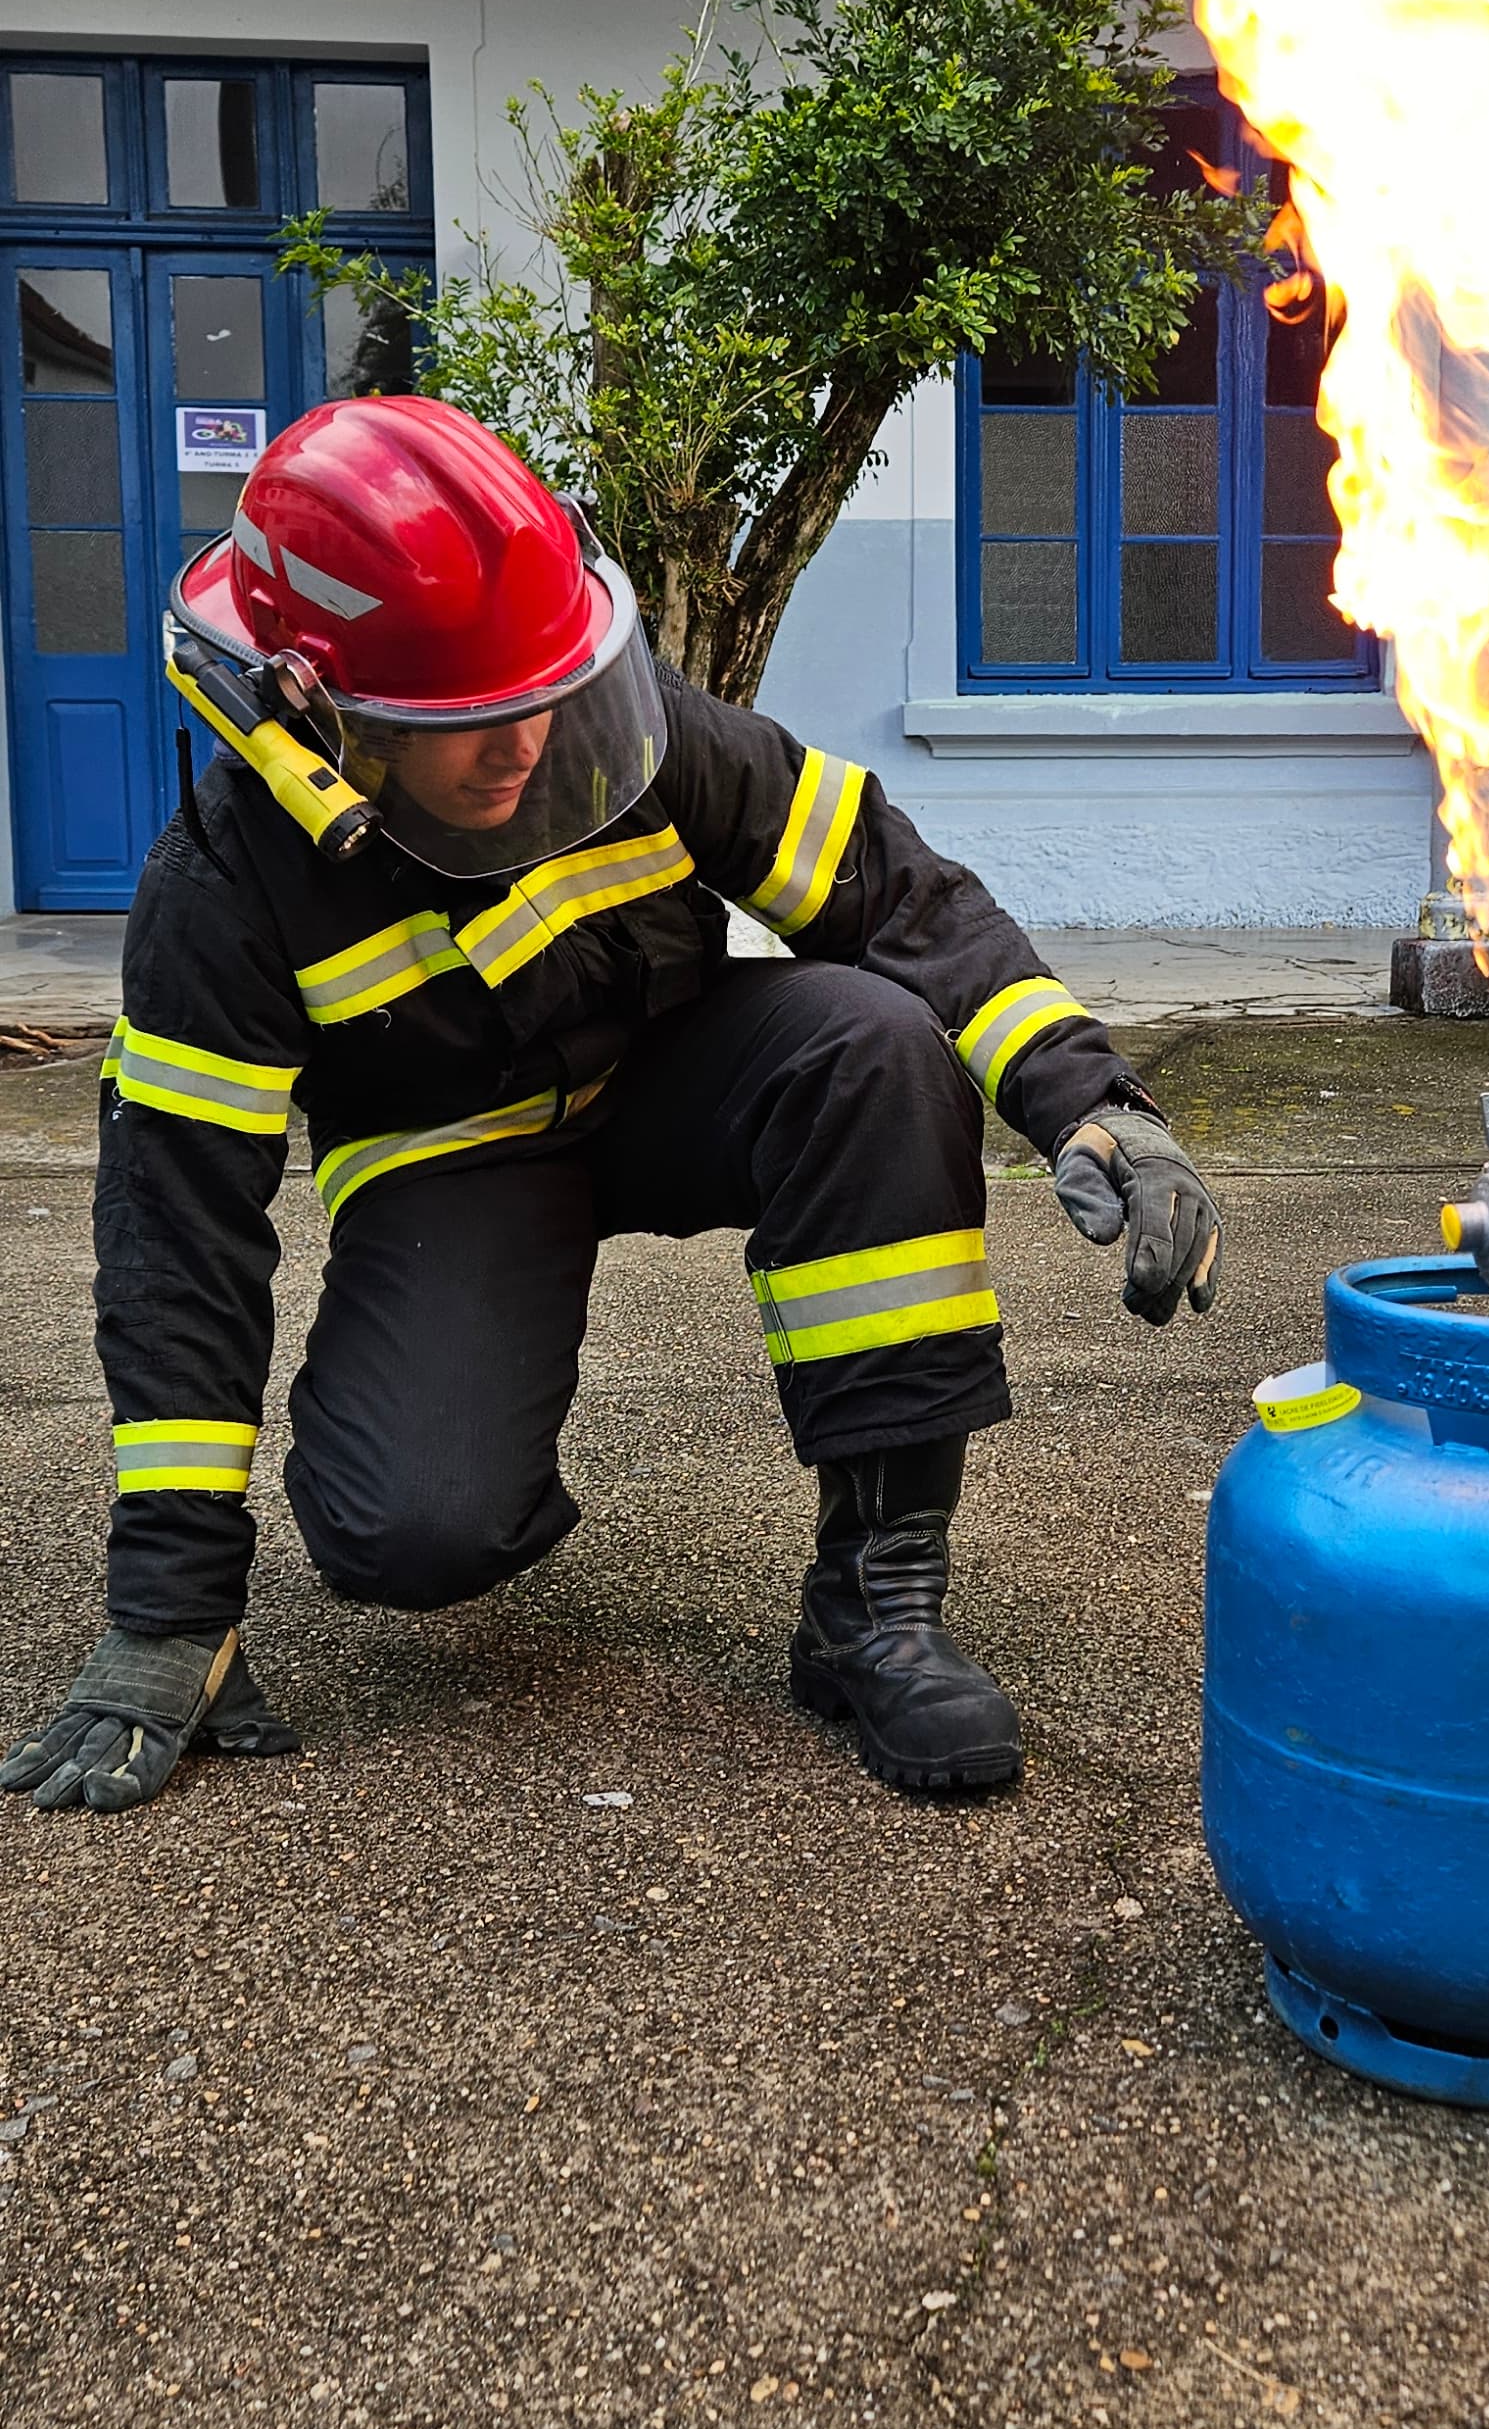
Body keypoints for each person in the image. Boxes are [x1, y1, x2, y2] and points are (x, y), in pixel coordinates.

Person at [1, 397, 1219, 1821]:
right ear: (313, 709)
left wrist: (1090, 1099)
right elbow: (179, 1246)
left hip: (675, 1077)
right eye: (463, 721)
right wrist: (168, 1606)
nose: (527, 745)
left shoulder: (622, 728)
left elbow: (895, 893)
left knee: (873, 1040)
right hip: (454, 1156)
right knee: (414, 1532)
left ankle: (876, 1607)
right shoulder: (222, 892)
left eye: (545, 692)